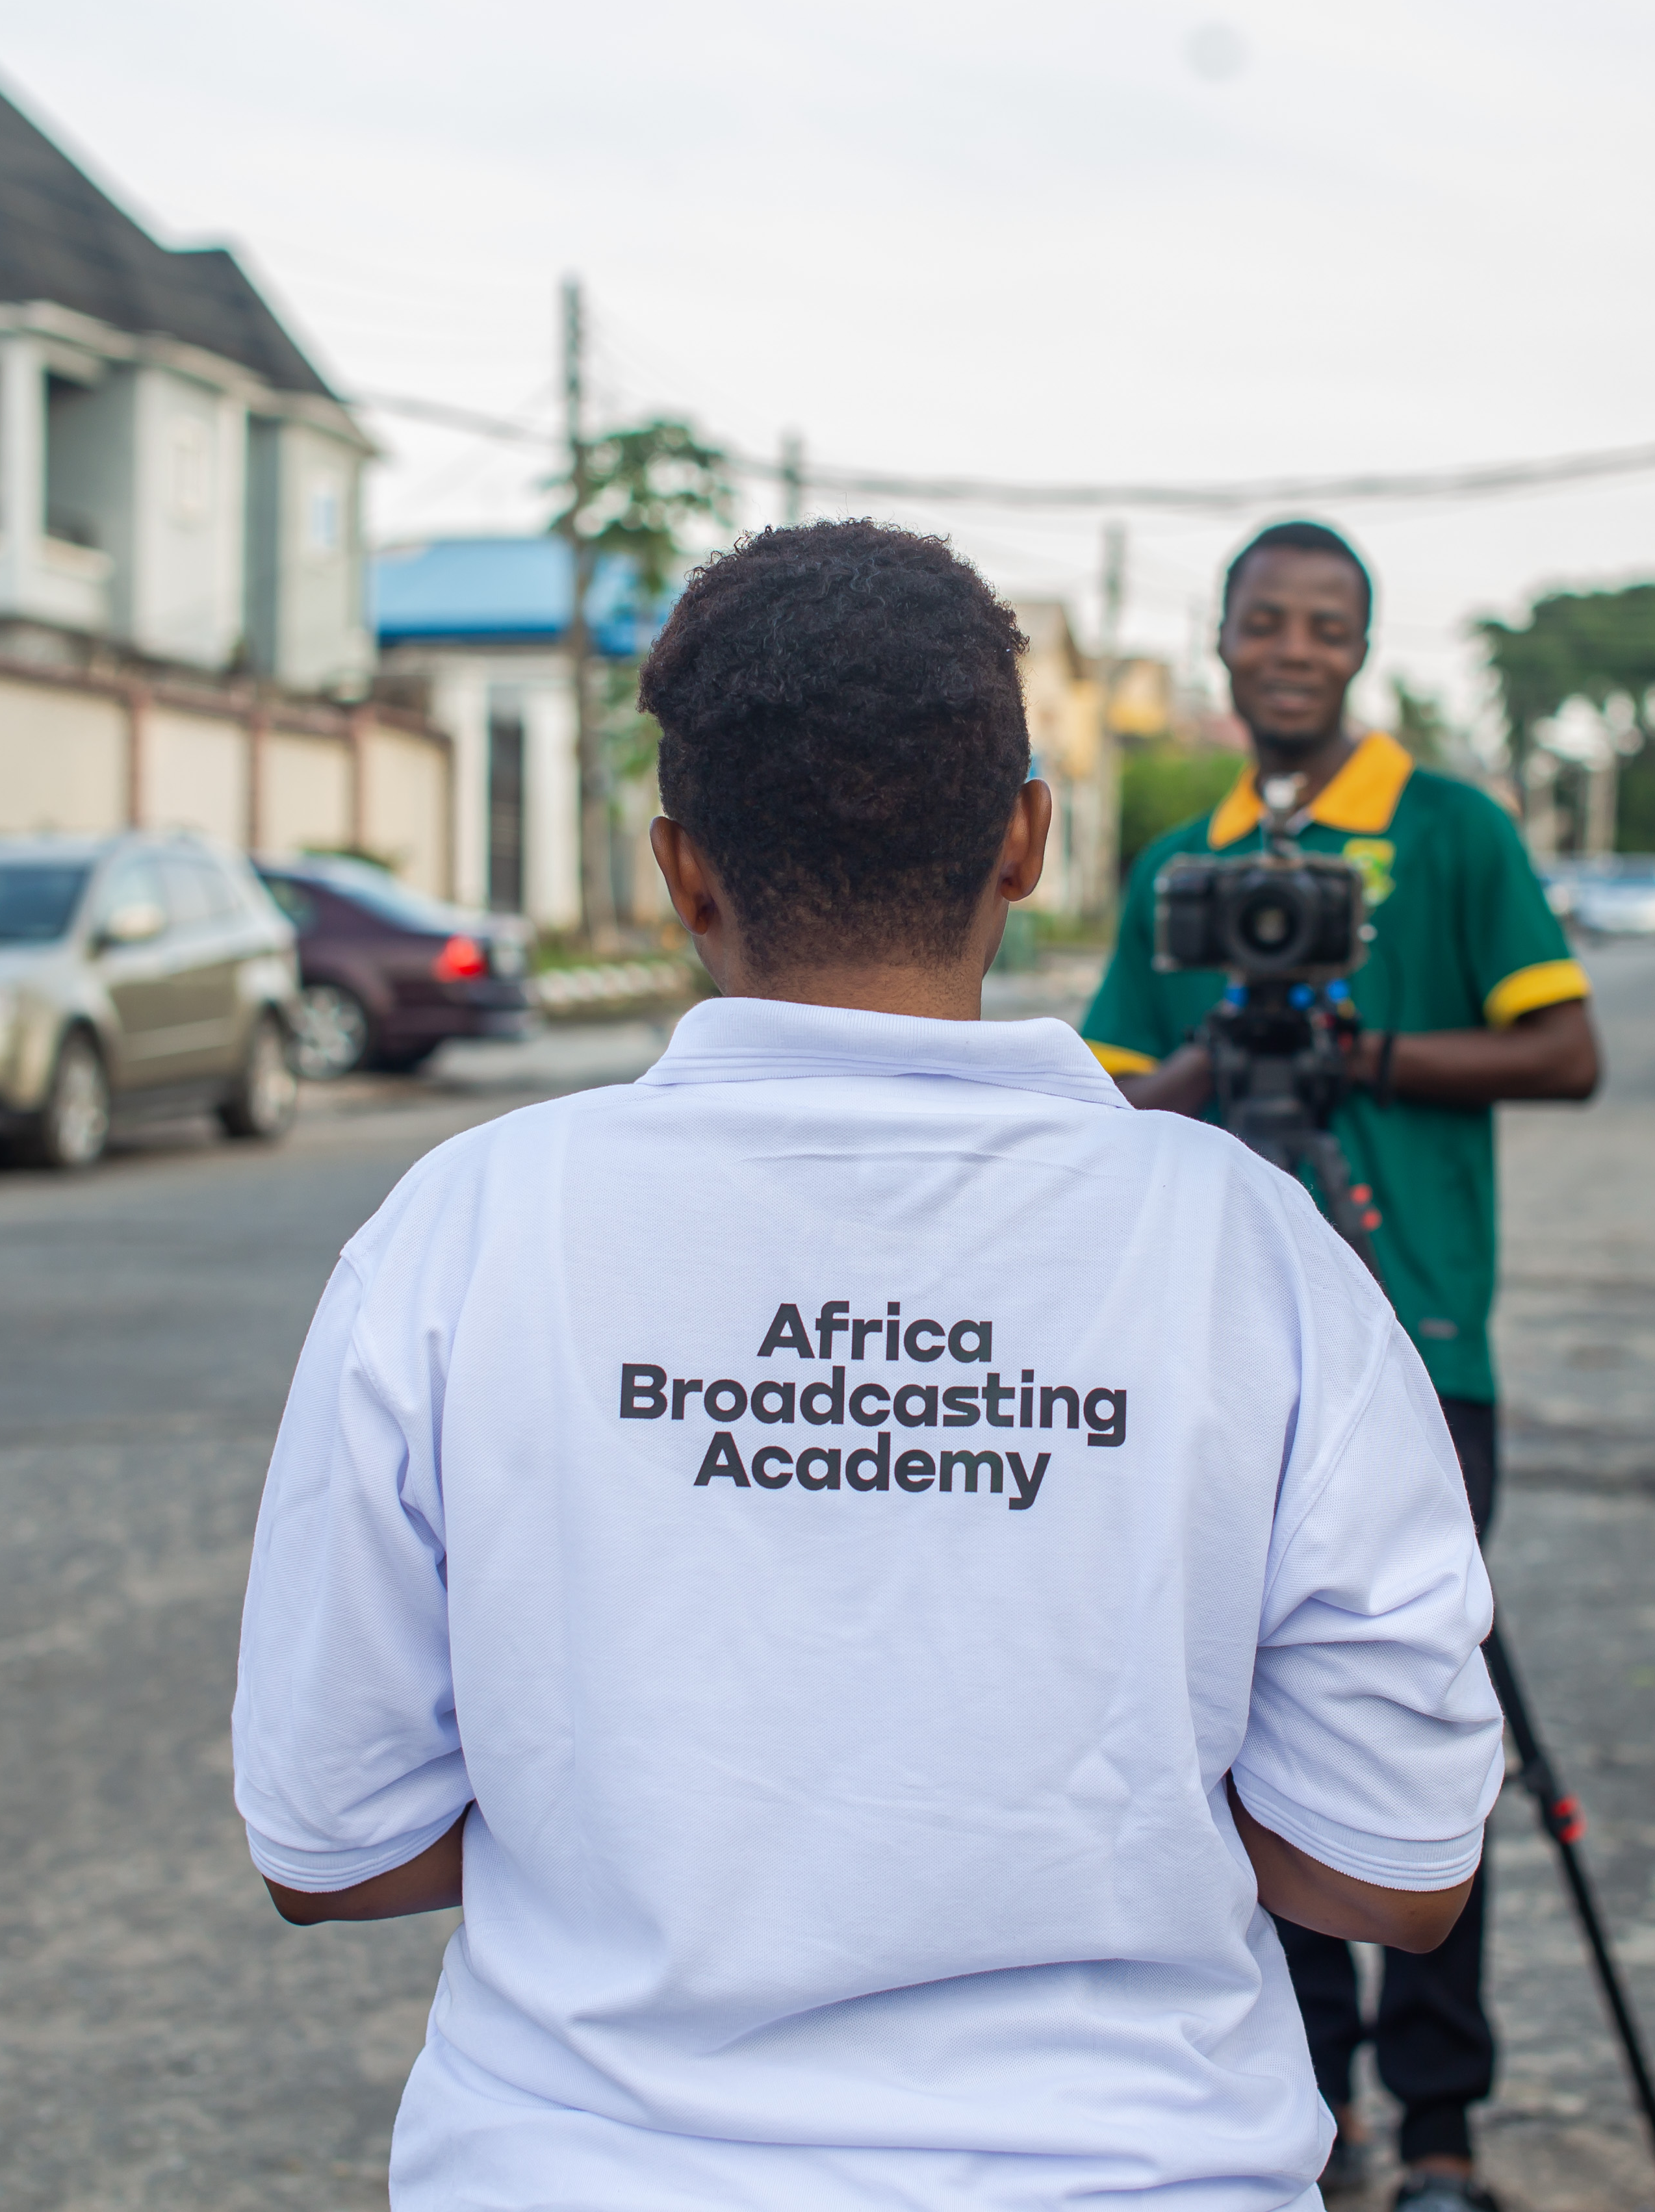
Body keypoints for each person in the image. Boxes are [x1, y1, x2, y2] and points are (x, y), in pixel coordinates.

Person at [231, 518, 1506, 2211]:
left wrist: (668, 1822)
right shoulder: (1256, 1255)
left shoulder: (468, 1232)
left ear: (684, 874)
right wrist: (1059, 1841)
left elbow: (335, 1851)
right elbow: (1397, 1872)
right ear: (1030, 844)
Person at [1082, 520, 1601, 2211]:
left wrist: (1359, 1052)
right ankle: (1313, 2108)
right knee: (1240, 1748)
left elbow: (1565, 1048)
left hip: (1422, 1336)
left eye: (1324, 626)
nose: (1291, 650)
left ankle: (1442, 2127)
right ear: (1223, 644)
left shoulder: (1448, 831)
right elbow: (1097, 1098)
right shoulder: (1185, 862)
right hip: (1208, 1358)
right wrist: (1224, 1061)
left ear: (1360, 650)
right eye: (1263, 623)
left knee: (1419, 1734)